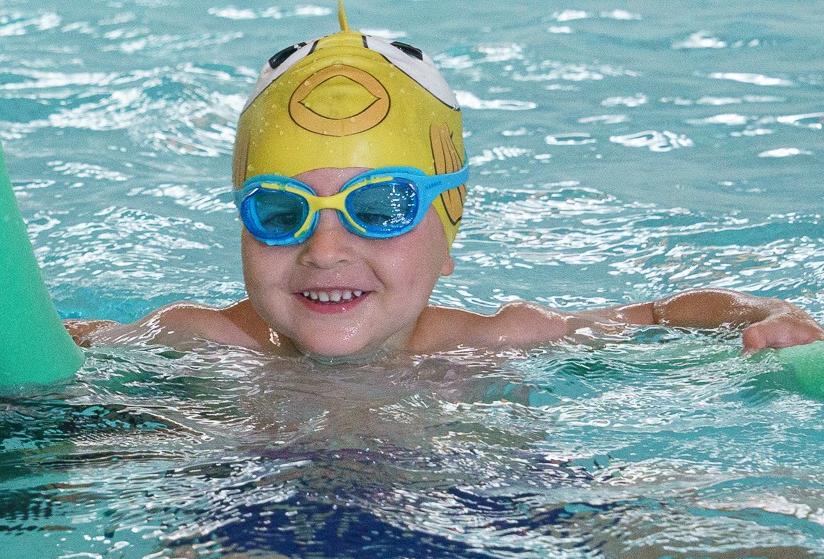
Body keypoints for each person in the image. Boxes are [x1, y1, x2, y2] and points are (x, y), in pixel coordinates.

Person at [66, 4, 824, 361]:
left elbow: (661, 315)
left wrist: (771, 314)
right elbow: (49, 345)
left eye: (379, 207)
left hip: (465, 504)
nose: (324, 250)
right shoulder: (199, 342)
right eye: (279, 211)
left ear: (448, 228)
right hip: (252, 506)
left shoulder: (494, 341)